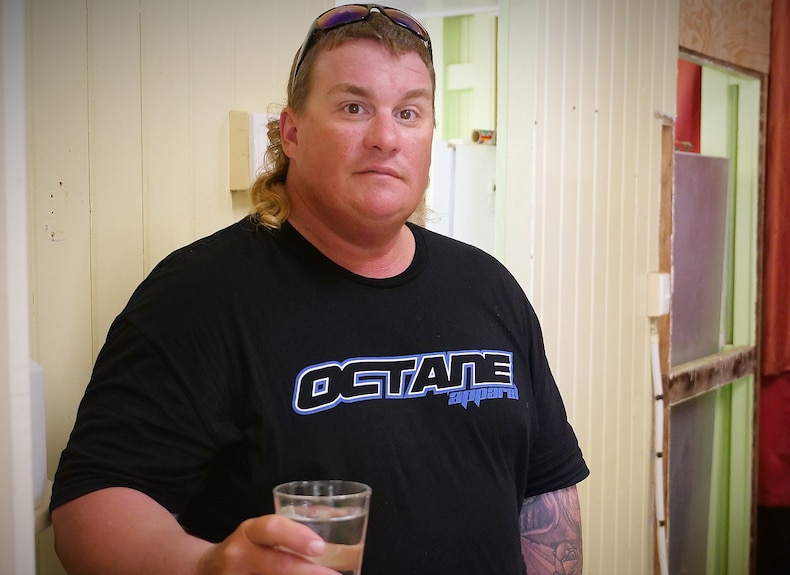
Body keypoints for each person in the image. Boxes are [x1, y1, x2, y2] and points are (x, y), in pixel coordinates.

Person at [49, 4, 589, 574]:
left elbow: (545, 493)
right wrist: (207, 567)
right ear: (292, 132)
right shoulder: (198, 296)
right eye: (354, 107)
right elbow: (89, 510)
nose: (386, 137)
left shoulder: (488, 286)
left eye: (409, 113)